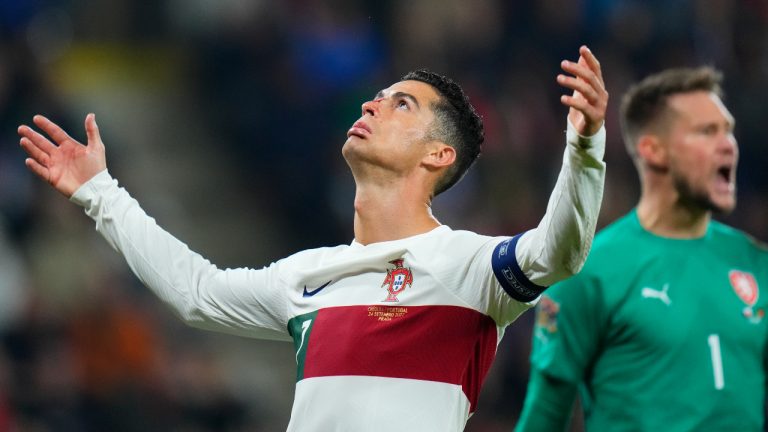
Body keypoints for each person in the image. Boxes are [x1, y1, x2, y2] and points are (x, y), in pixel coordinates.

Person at [18, 46, 607, 432]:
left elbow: (560, 250)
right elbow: (196, 292)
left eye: (401, 104)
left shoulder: (471, 266)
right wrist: (100, 192)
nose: (372, 105)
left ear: (439, 155)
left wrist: (584, 148)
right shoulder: (307, 276)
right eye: (377, 97)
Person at [516, 66, 768, 432]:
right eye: (707, 131)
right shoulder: (589, 272)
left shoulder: (755, 263)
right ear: (653, 150)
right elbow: (543, 419)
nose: (728, 143)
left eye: (728, 130)